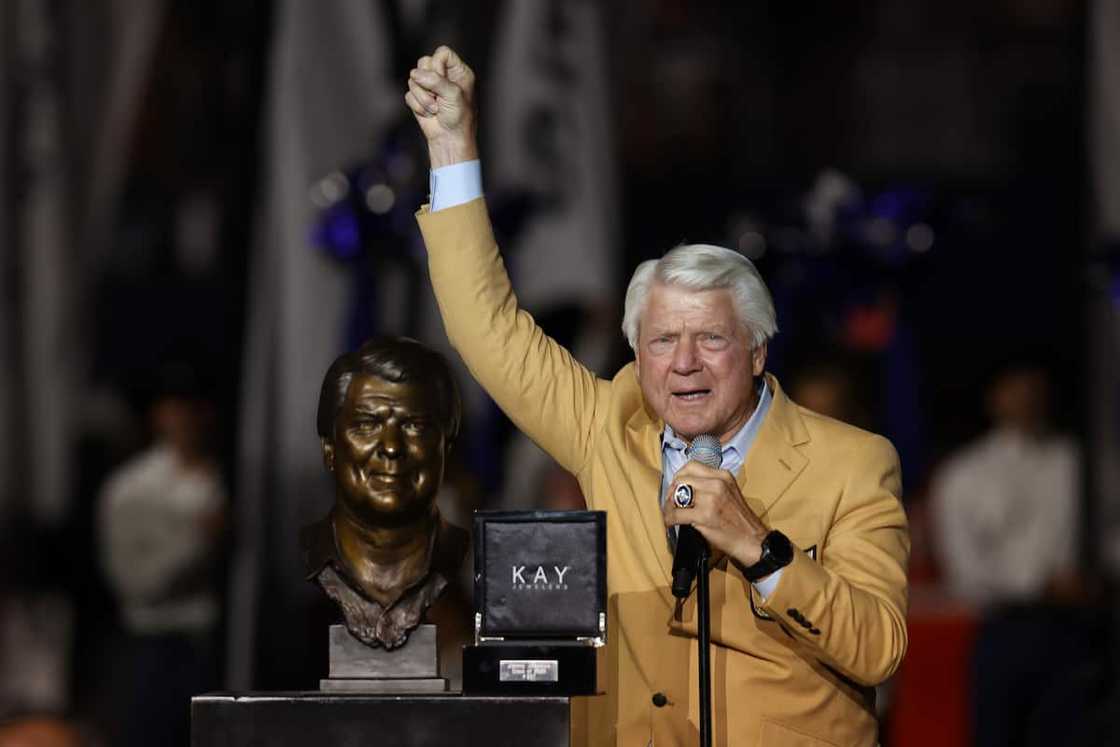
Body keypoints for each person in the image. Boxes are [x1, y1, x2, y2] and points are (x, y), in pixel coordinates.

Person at [405, 46, 909, 745]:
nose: (684, 365)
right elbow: (487, 328)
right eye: (663, 342)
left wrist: (760, 548)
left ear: (758, 350)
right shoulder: (606, 425)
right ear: (637, 355)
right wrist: (453, 148)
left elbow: (879, 646)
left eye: (711, 340)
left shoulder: (853, 462)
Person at [301, 337, 470, 652]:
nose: (391, 447)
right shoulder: (308, 562)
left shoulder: (459, 560)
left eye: (414, 426)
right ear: (329, 449)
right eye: (367, 425)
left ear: (445, 449)